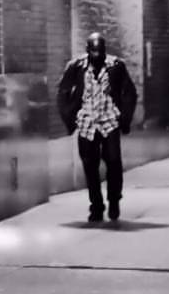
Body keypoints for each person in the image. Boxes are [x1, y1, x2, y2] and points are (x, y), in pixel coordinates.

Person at [57, 32, 138, 222]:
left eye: (100, 53)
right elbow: (63, 92)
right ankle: (96, 205)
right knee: (89, 165)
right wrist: (70, 118)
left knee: (114, 162)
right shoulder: (76, 67)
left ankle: (114, 200)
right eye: (93, 52)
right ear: (87, 51)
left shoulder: (116, 66)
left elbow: (129, 92)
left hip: (109, 120)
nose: (97, 57)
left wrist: (124, 119)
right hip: (86, 121)